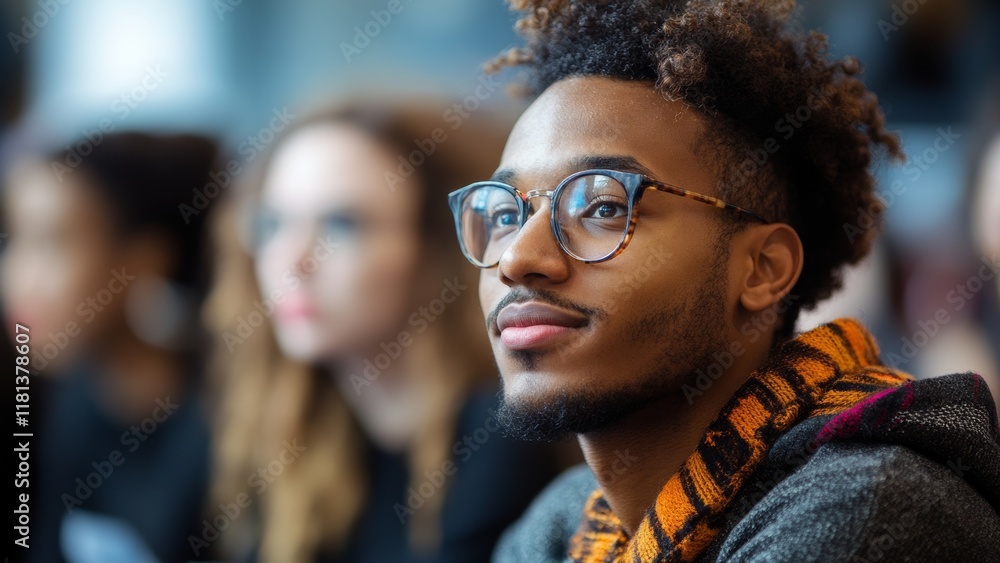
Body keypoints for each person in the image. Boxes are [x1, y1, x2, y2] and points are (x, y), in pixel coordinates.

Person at [444, 1, 1000, 561]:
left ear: (762, 269)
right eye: (506, 214)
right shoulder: (565, 527)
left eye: (603, 207)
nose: (518, 258)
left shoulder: (872, 507)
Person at [205, 99, 561, 563]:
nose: (292, 260)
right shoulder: (291, 420)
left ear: (435, 249)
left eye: (341, 224)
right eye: (273, 223)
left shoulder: (501, 435)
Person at [1, 132, 216, 563]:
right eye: (12, 240)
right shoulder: (51, 401)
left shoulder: (224, 419)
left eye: (52, 244)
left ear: (144, 261)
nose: (19, 278)